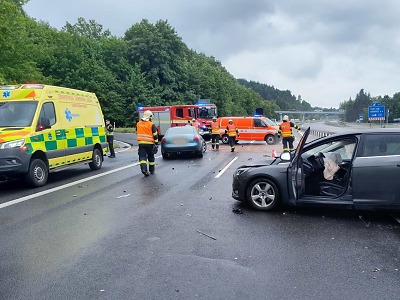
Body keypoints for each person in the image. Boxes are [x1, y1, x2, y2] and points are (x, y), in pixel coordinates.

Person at [136, 110, 159, 176]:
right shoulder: (151, 124)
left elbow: (137, 132)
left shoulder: (138, 124)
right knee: (151, 157)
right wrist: (156, 143)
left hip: (141, 143)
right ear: (150, 117)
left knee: (142, 157)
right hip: (150, 144)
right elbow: (155, 135)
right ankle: (152, 170)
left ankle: (144, 170)